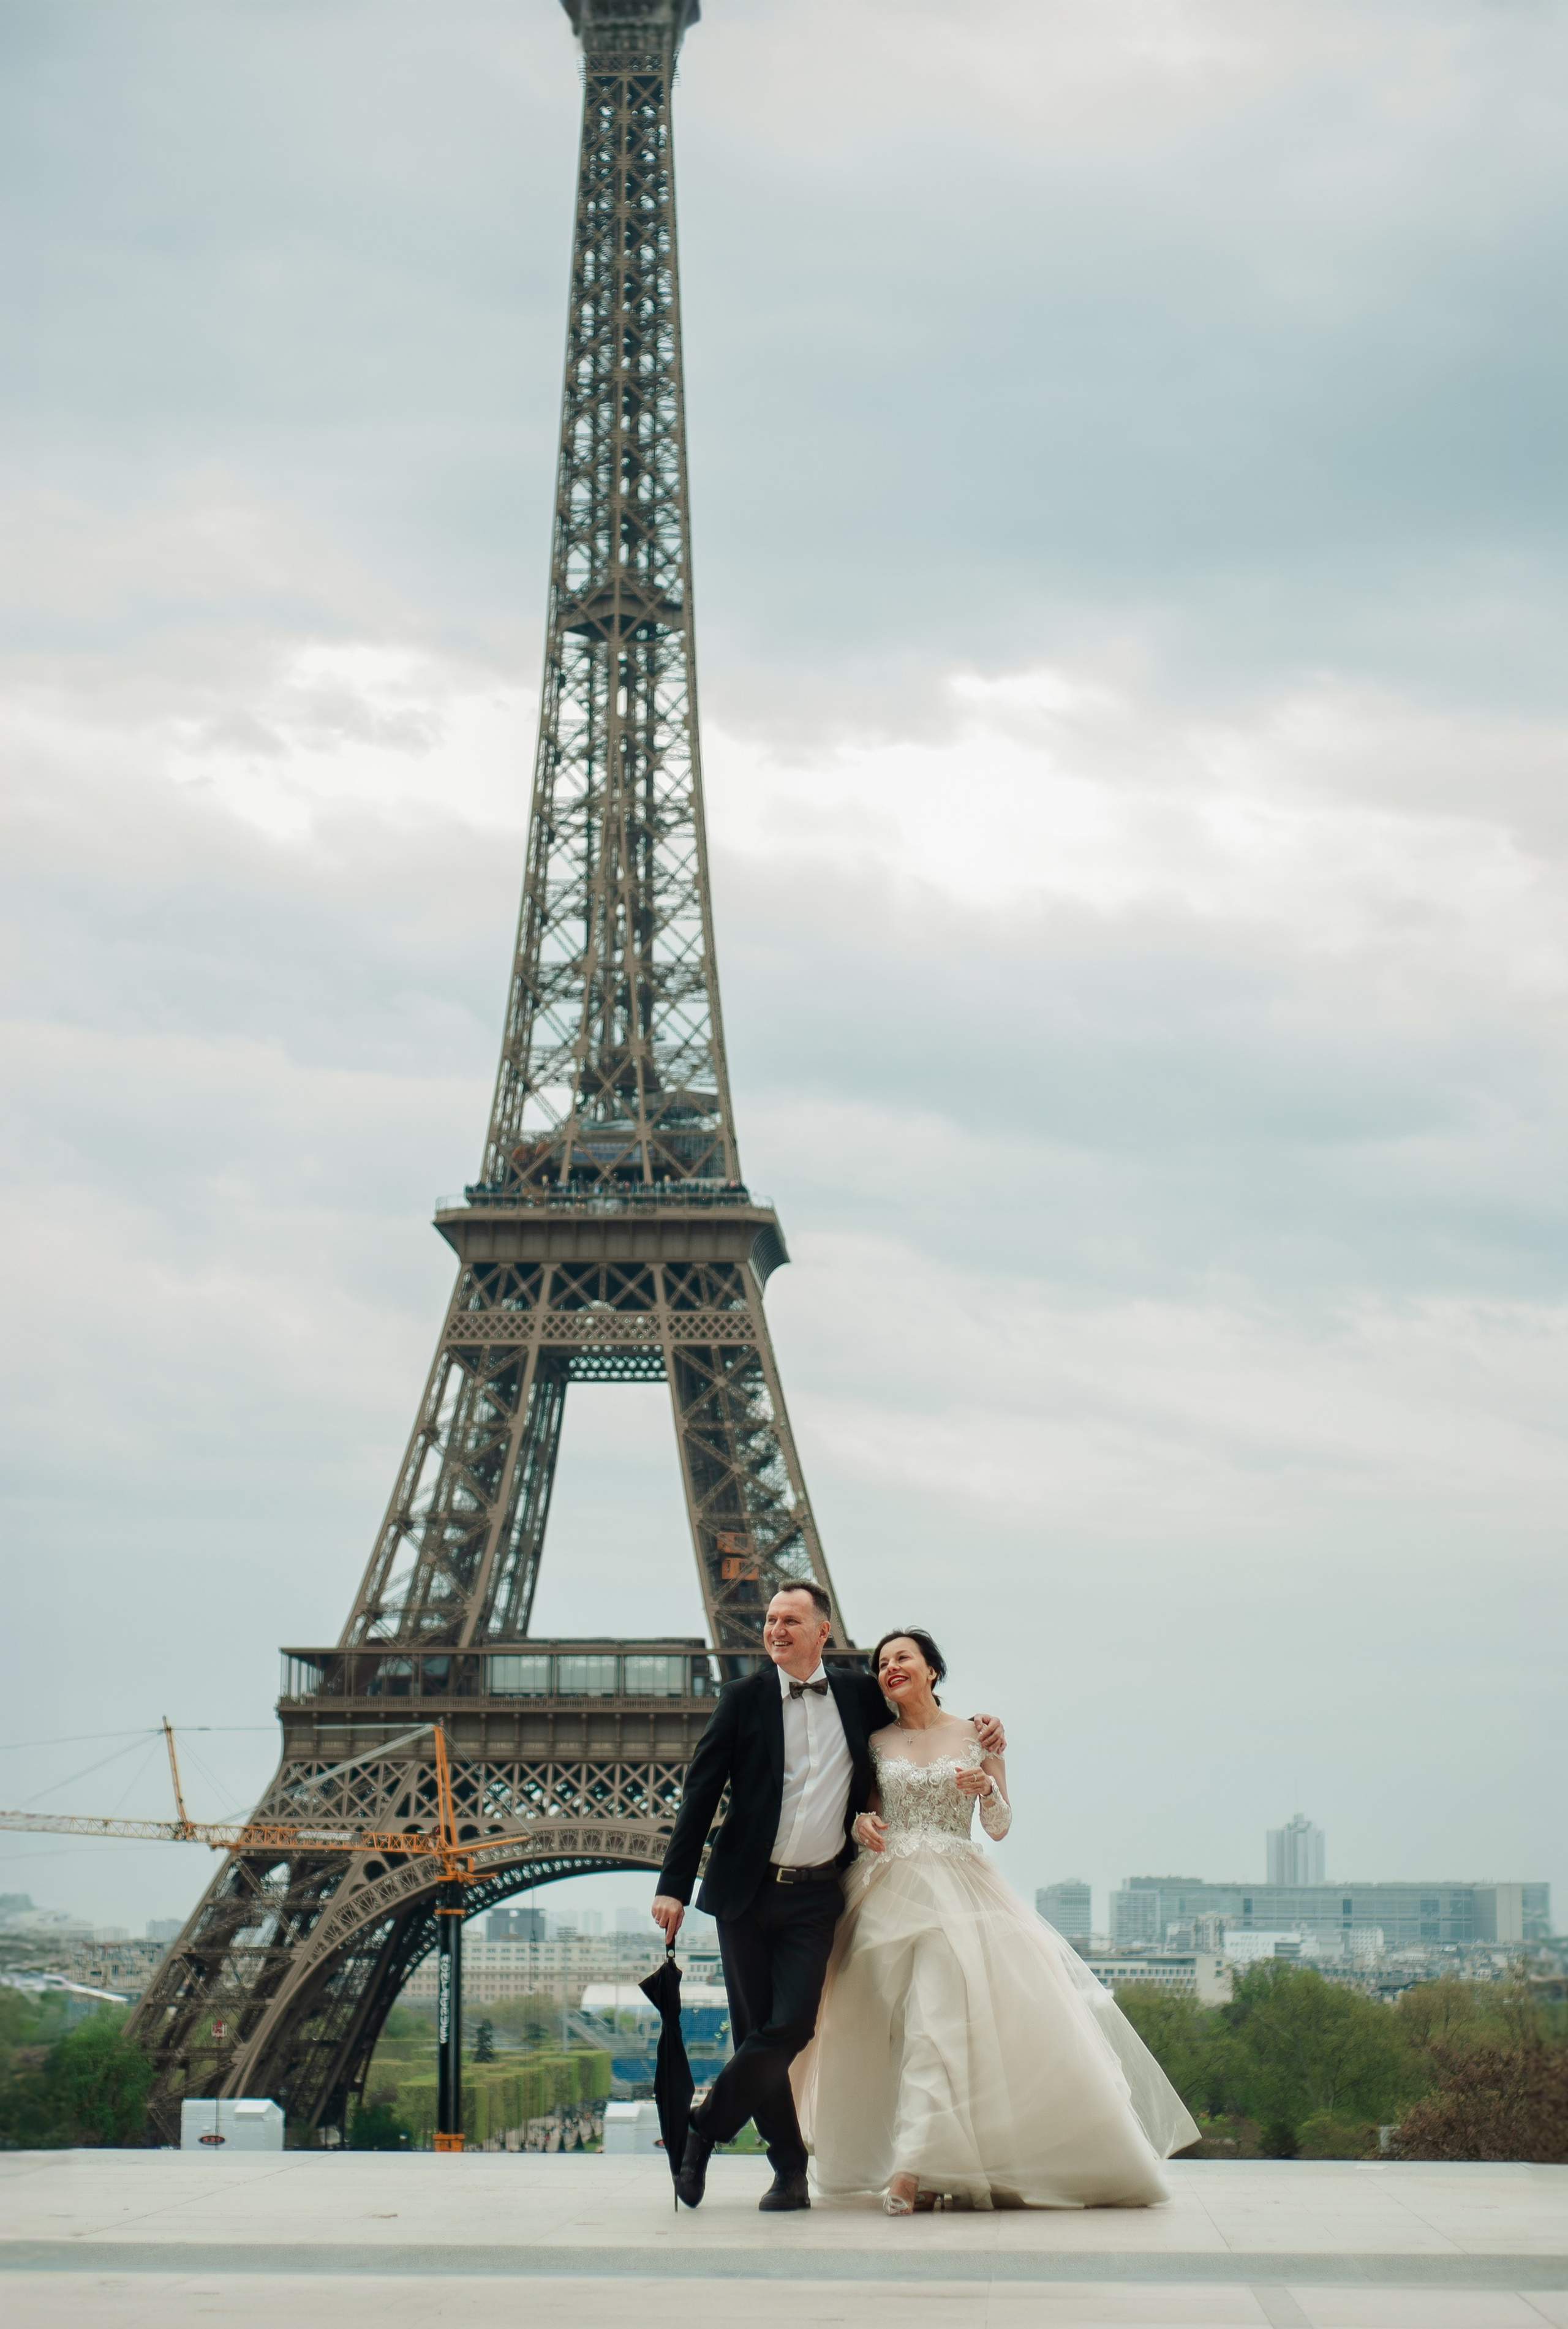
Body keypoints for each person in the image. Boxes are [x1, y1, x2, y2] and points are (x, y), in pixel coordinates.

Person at [793, 1626, 1200, 2211]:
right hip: (887, 1894)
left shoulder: (977, 1735)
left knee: (934, 2026)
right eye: (882, 1663)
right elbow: (864, 1814)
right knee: (892, 2034)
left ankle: (913, 2168)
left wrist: (987, 1788)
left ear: (933, 1670)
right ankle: (929, 2166)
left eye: (903, 1657)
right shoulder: (875, 1742)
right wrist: (861, 1824)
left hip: (958, 1894)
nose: (890, 1668)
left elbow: (1000, 1827)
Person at [650, 1584, 1008, 2213]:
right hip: (745, 1891)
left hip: (817, 1893)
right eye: (769, 1619)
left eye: (790, 1619)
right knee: (755, 2033)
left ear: (823, 1631)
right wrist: (673, 1887)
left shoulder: (858, 1693)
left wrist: (987, 1727)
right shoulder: (741, 1699)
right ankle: (789, 2169)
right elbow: (700, 1793)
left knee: (791, 2027)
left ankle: (703, 2126)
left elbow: (919, 1717)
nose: (775, 1629)